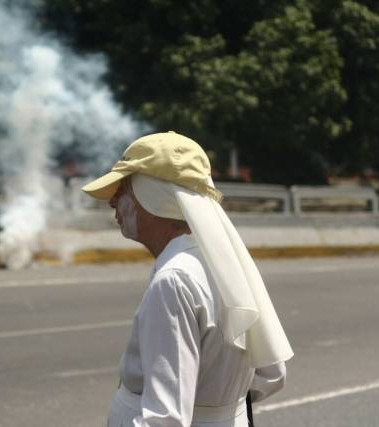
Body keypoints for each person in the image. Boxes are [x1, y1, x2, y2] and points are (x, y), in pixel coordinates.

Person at [82, 131, 293, 427]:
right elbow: (271, 373)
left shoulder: (174, 280)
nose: (113, 201)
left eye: (124, 188)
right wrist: (219, 408)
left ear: (154, 196)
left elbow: (165, 419)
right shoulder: (223, 262)